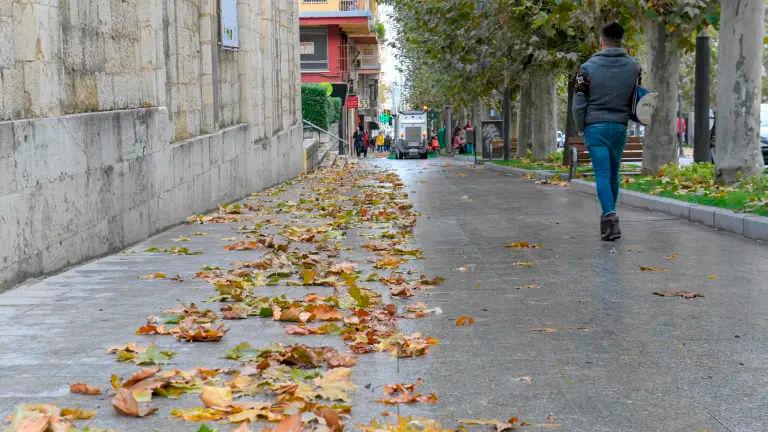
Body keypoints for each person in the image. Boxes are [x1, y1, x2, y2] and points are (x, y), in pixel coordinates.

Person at [573, 22, 639, 241]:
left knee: (601, 173)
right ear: (621, 41)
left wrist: (582, 126)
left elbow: (578, 103)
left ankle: (610, 220)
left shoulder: (586, 68)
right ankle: (609, 221)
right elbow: (636, 98)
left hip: (595, 127)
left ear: (601, 42)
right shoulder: (634, 66)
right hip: (620, 127)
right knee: (613, 173)